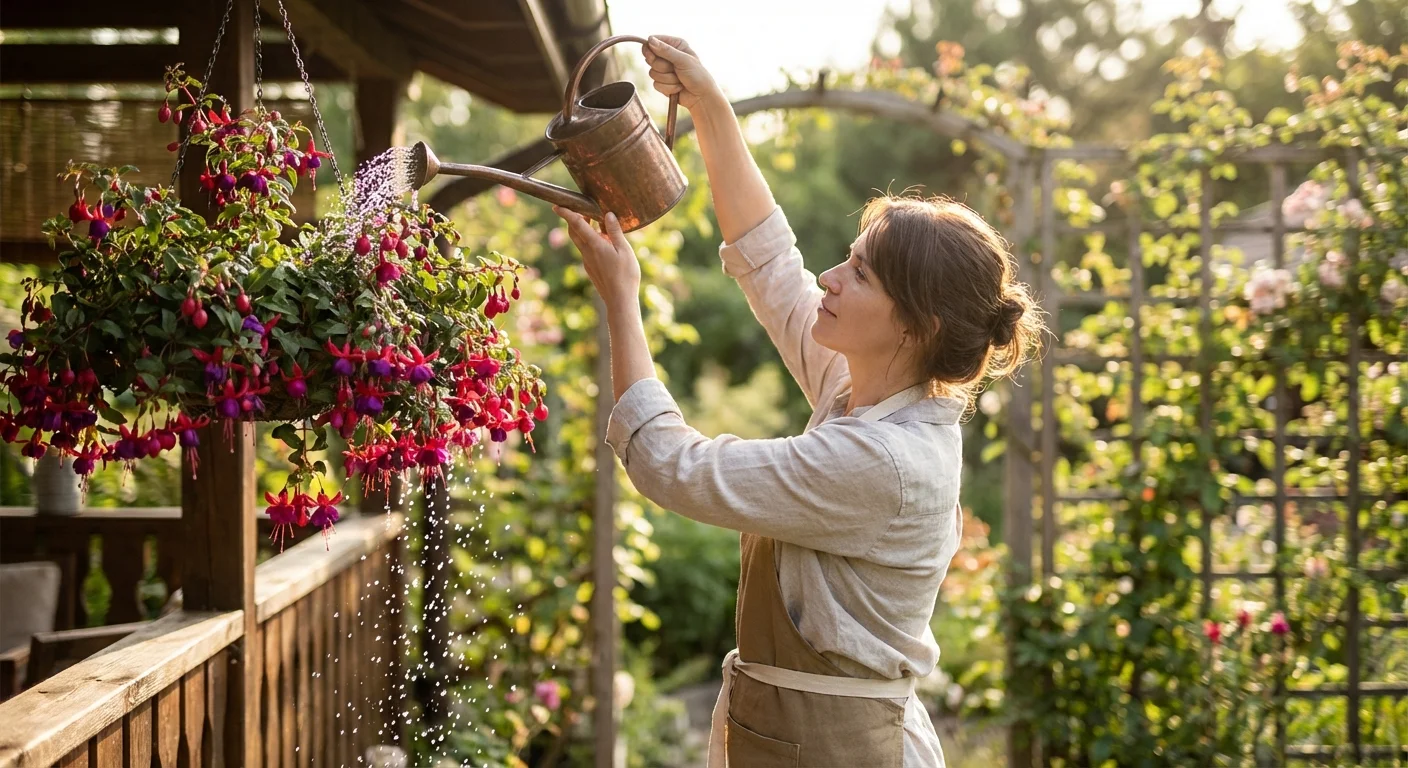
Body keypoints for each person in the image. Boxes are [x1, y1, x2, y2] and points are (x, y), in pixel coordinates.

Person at [553, 34, 1043, 768]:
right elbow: (770, 261)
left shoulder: (883, 460)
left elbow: (670, 465)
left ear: (917, 326)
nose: (830, 276)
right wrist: (710, 104)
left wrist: (621, 301)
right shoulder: (866, 393)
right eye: (849, 258)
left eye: (862, 275)